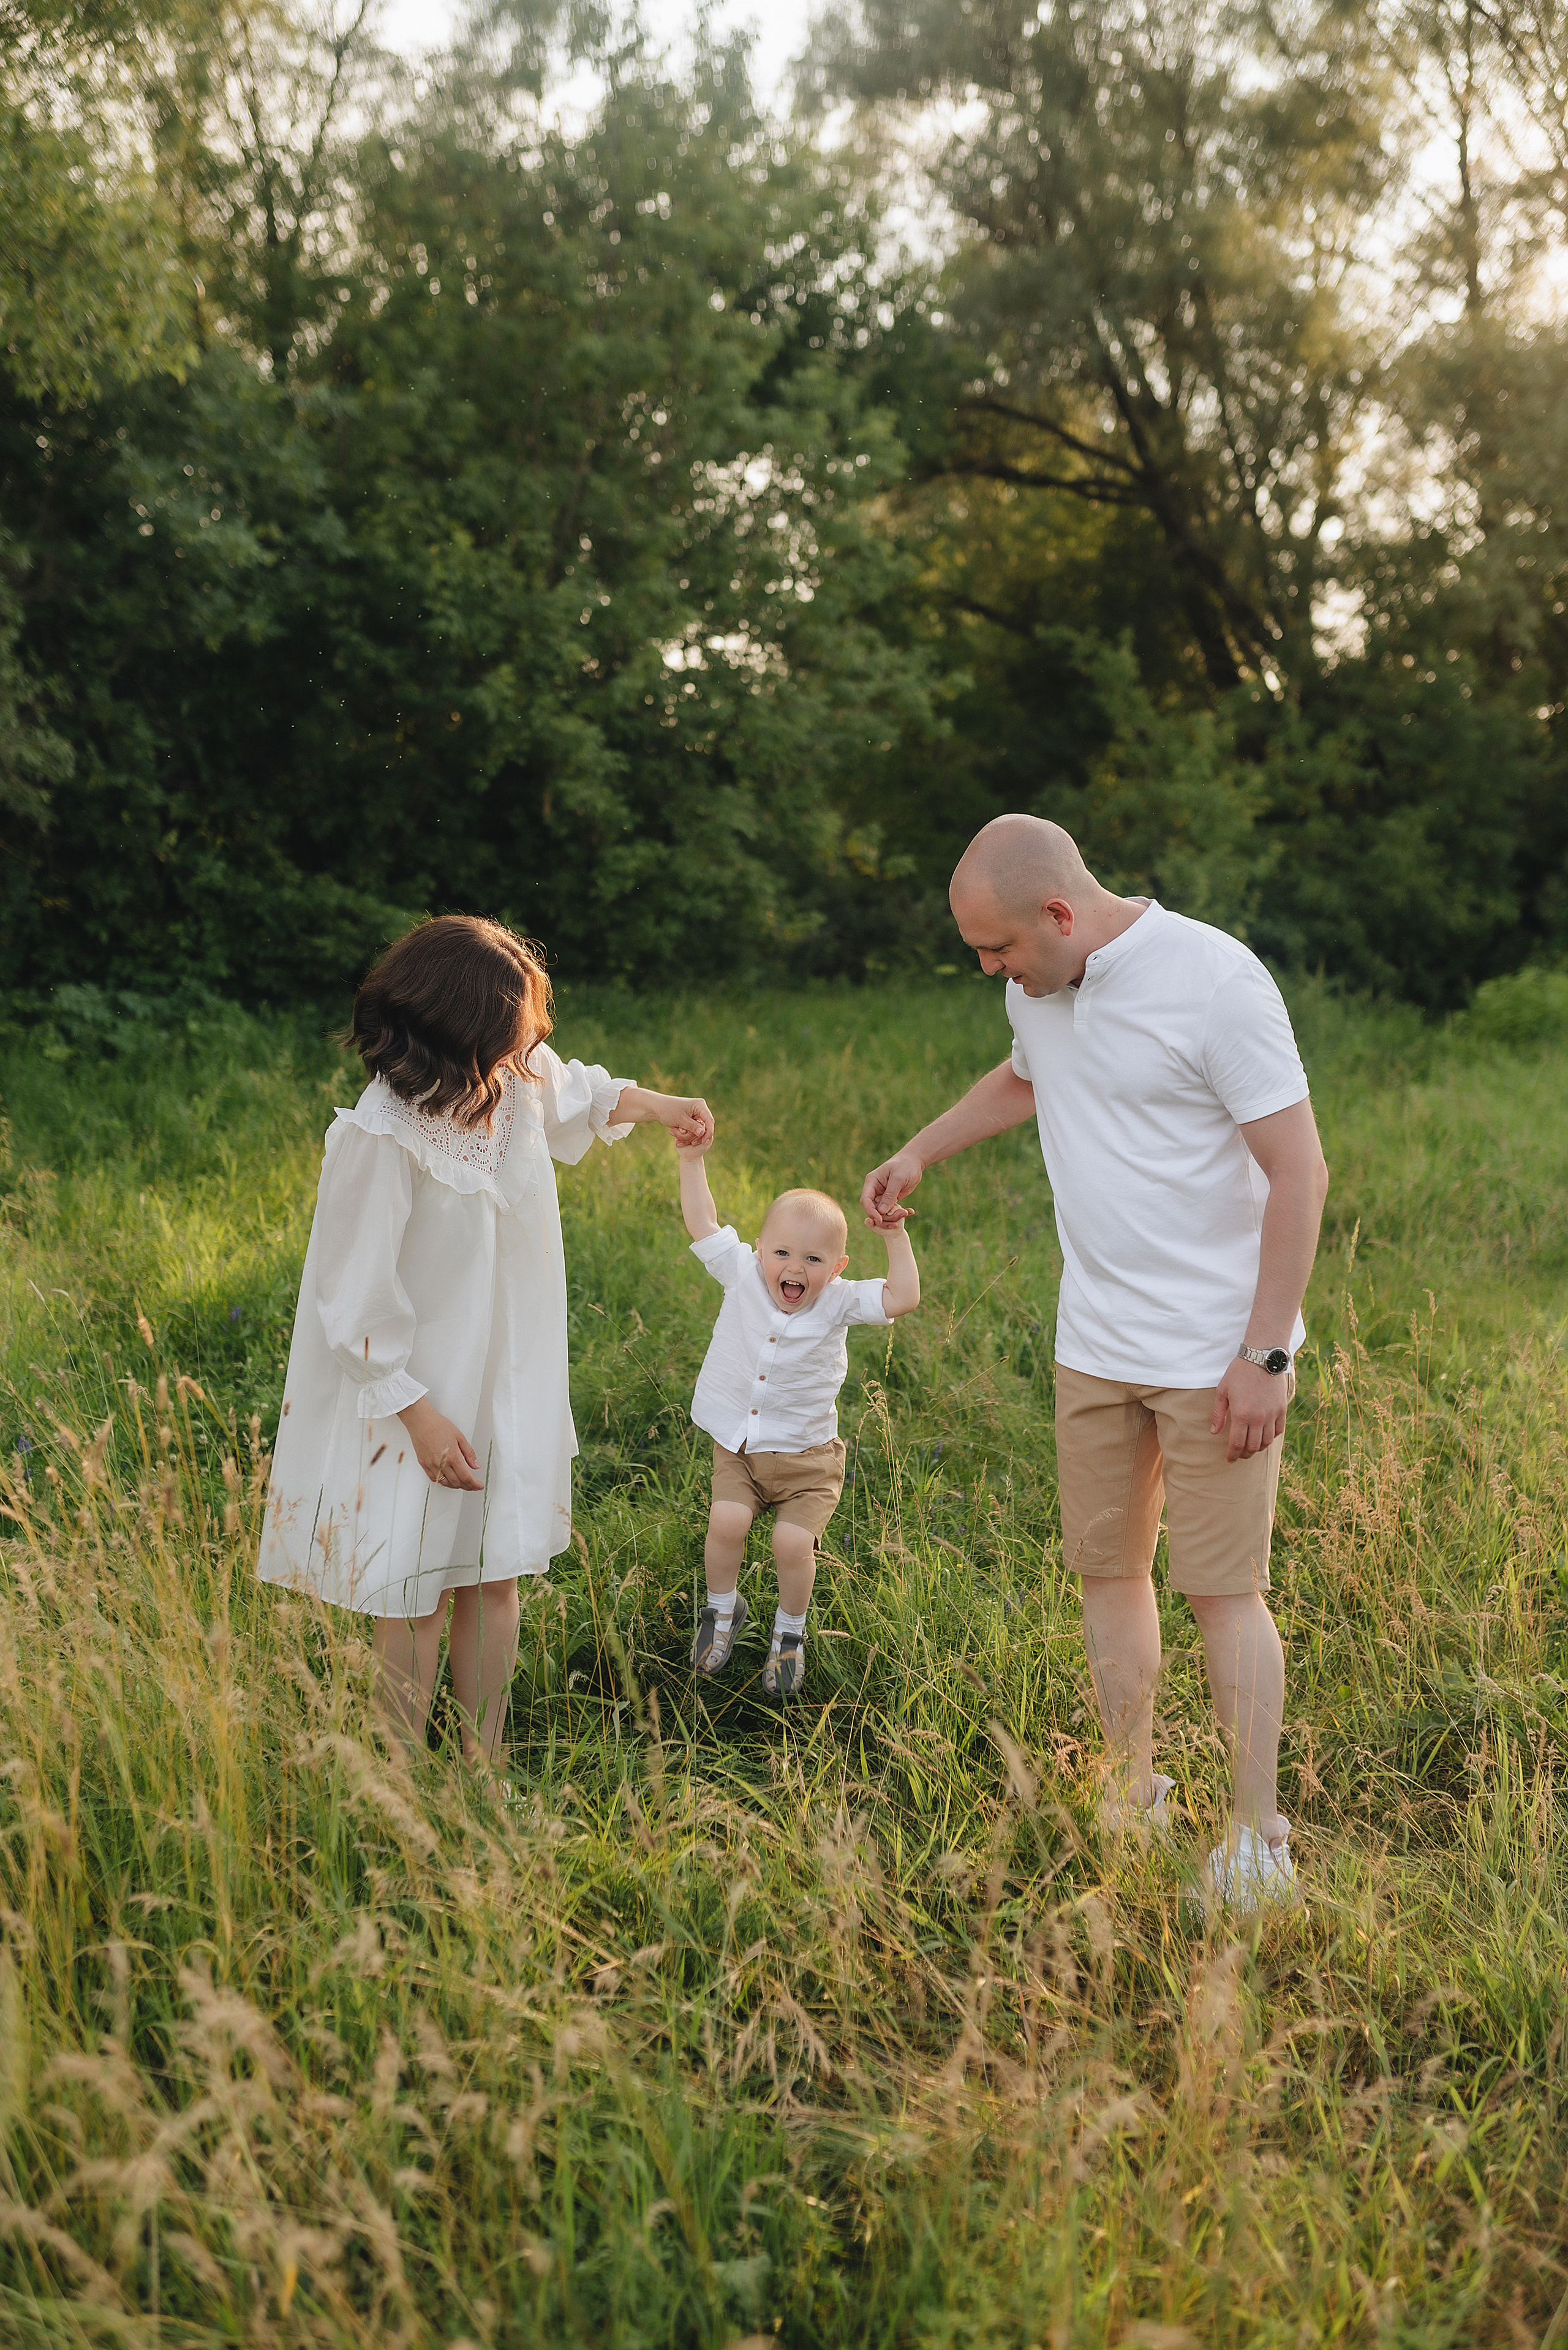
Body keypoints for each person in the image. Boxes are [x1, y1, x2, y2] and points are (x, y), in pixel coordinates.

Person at [861, 816, 1329, 1909]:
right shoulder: (1039, 988)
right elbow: (1026, 1077)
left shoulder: (1216, 981)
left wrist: (1264, 1352)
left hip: (1219, 1354)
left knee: (1224, 1592)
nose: (989, 970)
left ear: (1060, 914)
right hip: (1096, 1345)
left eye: (998, 949)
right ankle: (1131, 1788)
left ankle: (1258, 1840)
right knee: (1106, 1575)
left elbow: (1299, 1172)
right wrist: (921, 1145)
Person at [258, 914, 712, 1764]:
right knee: (416, 1590)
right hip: (418, 1398)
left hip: (510, 1373)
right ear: (459, 1027)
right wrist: (417, 1416)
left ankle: (484, 1764)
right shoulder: (382, 1133)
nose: (531, 1042)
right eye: (515, 1026)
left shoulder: (515, 1080)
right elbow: (350, 1295)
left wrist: (659, 1107)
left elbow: (580, 1088)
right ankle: (396, 1774)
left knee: (493, 1576)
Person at [677, 1134, 921, 1700]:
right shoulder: (741, 1272)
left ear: (836, 1268)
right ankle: (722, 1611)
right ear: (760, 1248)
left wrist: (895, 1237)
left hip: (808, 1459)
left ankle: (790, 1633)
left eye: (813, 1260)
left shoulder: (837, 1300)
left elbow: (902, 1297)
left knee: (792, 1544)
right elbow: (702, 1221)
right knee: (727, 1523)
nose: (794, 1268)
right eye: (782, 1252)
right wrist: (692, 1159)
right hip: (740, 1446)